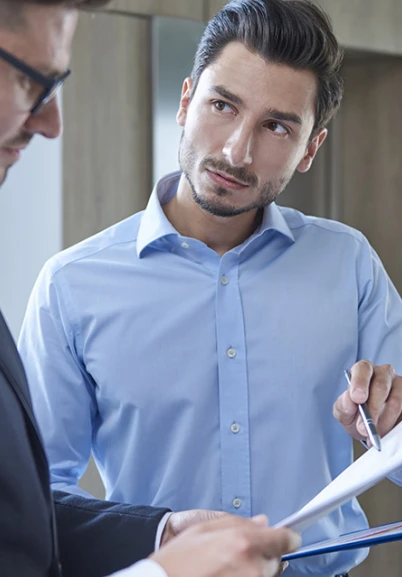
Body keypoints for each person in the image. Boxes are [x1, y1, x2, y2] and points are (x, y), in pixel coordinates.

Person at [18, 0, 402, 576]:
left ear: (310, 149)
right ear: (185, 101)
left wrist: (390, 427)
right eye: (222, 105)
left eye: (276, 126)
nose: (235, 151)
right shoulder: (71, 286)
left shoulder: (349, 263)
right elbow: (33, 501)